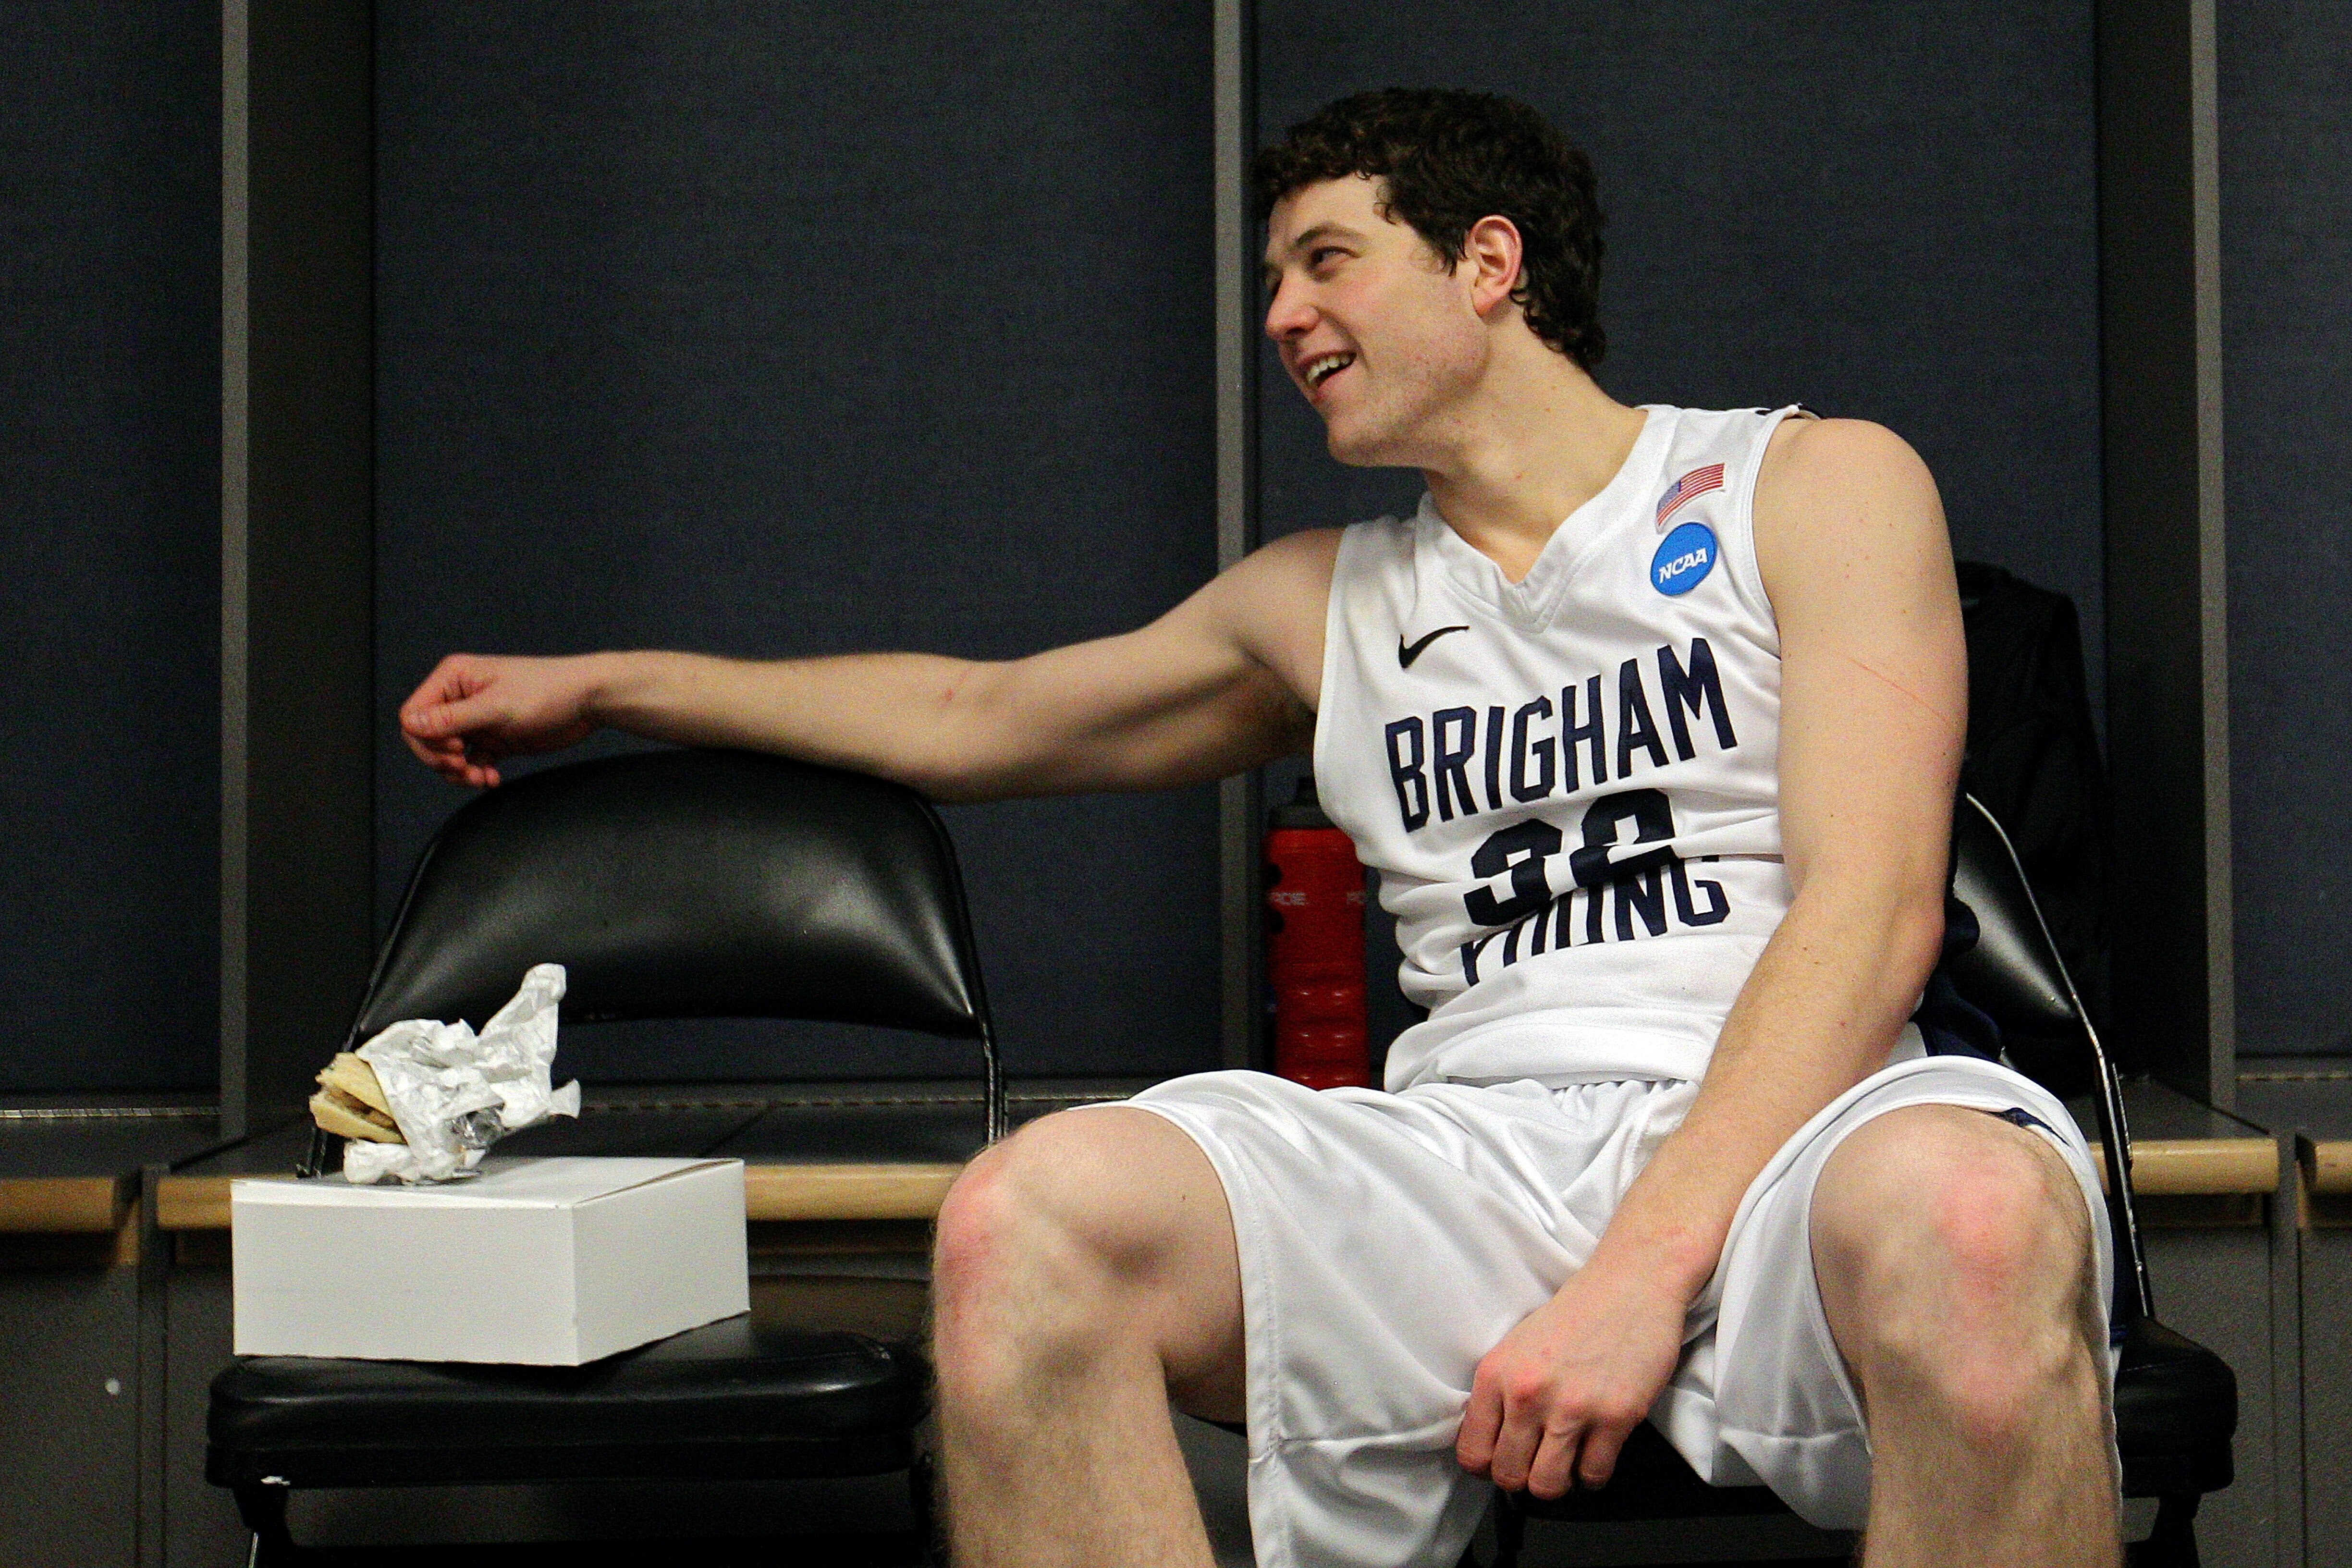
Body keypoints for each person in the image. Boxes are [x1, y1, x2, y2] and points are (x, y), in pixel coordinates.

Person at [400, 88, 2118, 1568]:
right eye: (1274, 279)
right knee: (1028, 1221)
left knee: (1976, 1218)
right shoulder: (1323, 604)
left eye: (1328, 259)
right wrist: (613, 683)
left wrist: (1634, 1281)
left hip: (1798, 1129)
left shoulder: (1807, 484)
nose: (1285, 315)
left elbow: (1878, 915)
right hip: (1481, 1147)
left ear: (1490, 264)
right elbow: (973, 718)